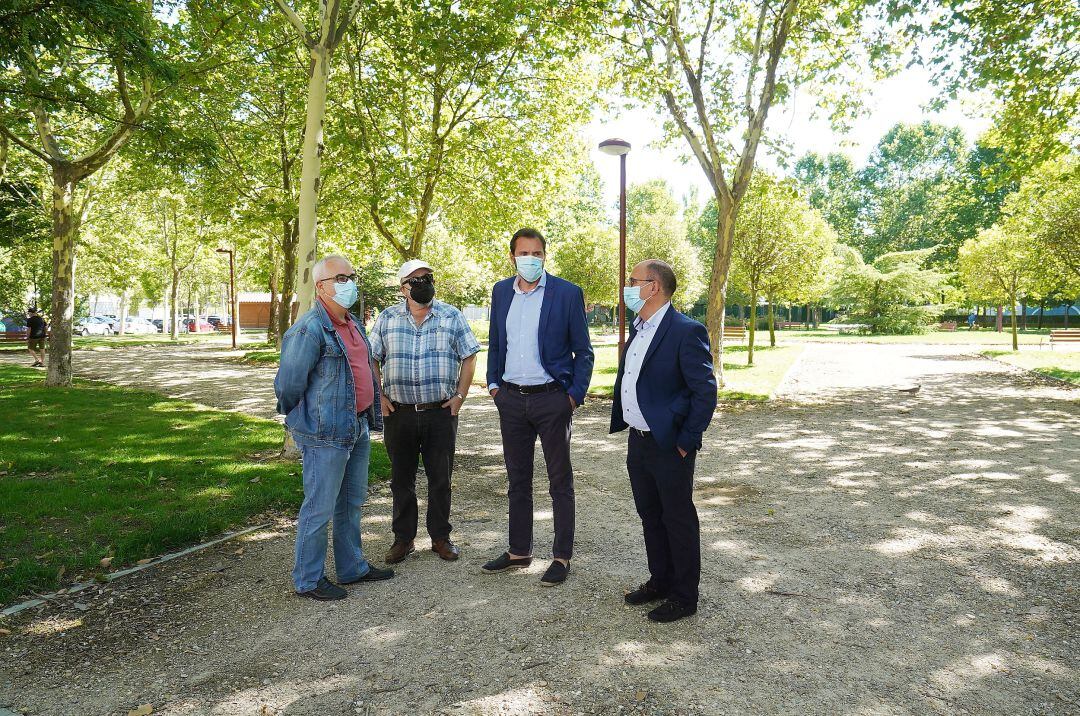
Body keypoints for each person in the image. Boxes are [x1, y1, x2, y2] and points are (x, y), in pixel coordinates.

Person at [274, 255, 394, 601]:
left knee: (351, 502)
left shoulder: (352, 323)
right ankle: (309, 579)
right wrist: (306, 419)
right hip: (325, 434)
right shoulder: (309, 329)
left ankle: (352, 566)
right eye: (341, 278)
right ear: (321, 286)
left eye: (351, 276)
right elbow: (288, 385)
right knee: (319, 507)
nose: (349, 283)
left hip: (355, 427)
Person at [482, 228, 594, 586]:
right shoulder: (501, 291)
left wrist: (573, 395)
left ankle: (561, 556)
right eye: (523, 252)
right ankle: (519, 550)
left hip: (552, 399)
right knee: (518, 480)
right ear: (512, 255)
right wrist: (494, 384)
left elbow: (584, 351)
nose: (530, 258)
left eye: (537, 253)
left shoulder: (566, 293)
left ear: (545, 255)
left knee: (560, 481)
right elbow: (497, 342)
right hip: (511, 399)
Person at [610, 260, 717, 623]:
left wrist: (687, 440)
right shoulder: (640, 329)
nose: (628, 286)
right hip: (638, 442)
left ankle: (684, 597)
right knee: (650, 516)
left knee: (677, 519)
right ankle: (660, 581)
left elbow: (705, 391)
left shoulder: (686, 331)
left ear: (652, 287)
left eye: (633, 281)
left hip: (670, 445)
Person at [368, 259, 481, 565]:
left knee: (440, 479)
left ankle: (440, 538)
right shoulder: (387, 319)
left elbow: (469, 356)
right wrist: (379, 396)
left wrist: (460, 396)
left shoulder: (451, 316)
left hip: (440, 413)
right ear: (403, 288)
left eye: (428, 278)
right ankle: (403, 540)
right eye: (416, 281)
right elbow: (371, 359)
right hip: (399, 413)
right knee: (401, 480)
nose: (424, 284)